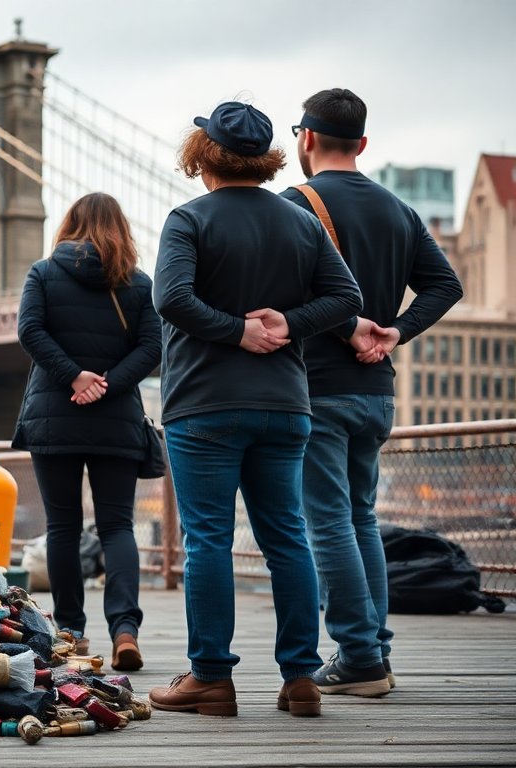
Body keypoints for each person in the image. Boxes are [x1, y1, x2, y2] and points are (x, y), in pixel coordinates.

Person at [146, 102, 362, 718]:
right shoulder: (300, 222)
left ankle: (211, 677)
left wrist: (234, 332)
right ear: (263, 157)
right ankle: (301, 678)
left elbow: (171, 298)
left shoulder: (187, 219)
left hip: (204, 405)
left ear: (202, 154)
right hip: (285, 405)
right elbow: (346, 297)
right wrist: (288, 324)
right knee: (289, 538)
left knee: (208, 539)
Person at [282, 88, 462, 697]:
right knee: (361, 518)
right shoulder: (399, 210)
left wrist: (344, 326)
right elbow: (445, 286)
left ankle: (359, 657)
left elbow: (293, 293)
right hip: (376, 395)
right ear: (362, 144)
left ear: (305, 139)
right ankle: (374, 652)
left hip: (319, 389)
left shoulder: (294, 204)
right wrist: (394, 332)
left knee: (327, 521)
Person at [12, 192, 162, 672]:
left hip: (54, 414)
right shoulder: (137, 284)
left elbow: (30, 332)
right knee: (118, 526)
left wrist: (75, 378)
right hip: (115, 418)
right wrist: (107, 384)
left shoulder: (43, 272)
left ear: (70, 224)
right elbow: (152, 348)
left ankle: (72, 631)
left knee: (63, 526)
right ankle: (124, 631)